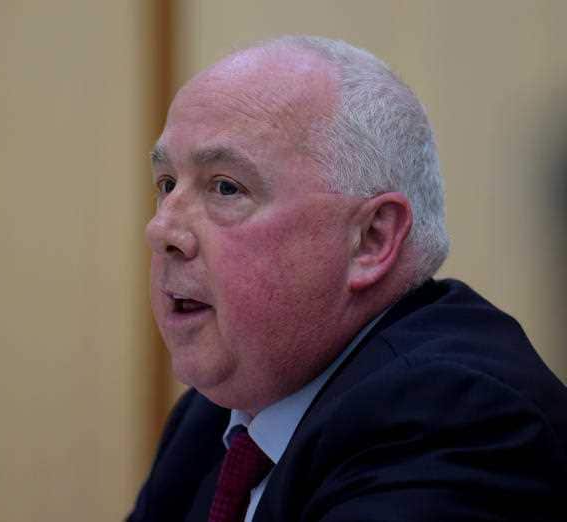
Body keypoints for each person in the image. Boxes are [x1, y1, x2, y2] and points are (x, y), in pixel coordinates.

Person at [128, 36, 567, 522]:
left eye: (226, 187)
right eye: (166, 184)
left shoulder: (456, 417)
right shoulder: (211, 421)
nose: (162, 229)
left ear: (372, 239)